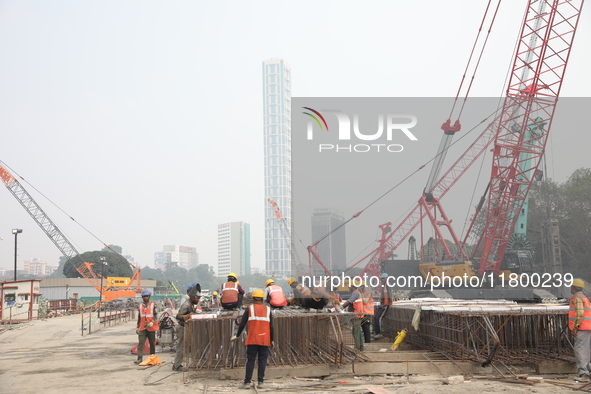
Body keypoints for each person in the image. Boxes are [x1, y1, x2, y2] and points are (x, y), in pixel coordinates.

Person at [231, 289, 274, 389]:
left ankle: (247, 383)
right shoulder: (268, 310)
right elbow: (271, 327)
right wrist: (272, 339)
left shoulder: (249, 309)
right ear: (262, 299)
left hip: (252, 339)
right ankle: (261, 382)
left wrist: (237, 335)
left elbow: (242, 323)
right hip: (264, 339)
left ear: (253, 298)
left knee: (250, 360)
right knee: (262, 360)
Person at [173, 285, 202, 371]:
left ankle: (177, 364)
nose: (198, 300)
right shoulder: (186, 304)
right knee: (181, 347)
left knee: (184, 347)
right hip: (181, 327)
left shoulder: (191, 304)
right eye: (197, 298)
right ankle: (177, 366)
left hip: (185, 327)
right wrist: (187, 316)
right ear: (193, 297)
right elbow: (178, 316)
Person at [569, 278, 591, 382]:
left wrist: (575, 327)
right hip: (587, 327)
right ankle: (588, 371)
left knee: (580, 350)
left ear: (573, 287)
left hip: (581, 328)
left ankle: (583, 374)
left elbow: (580, 314)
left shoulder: (577, 298)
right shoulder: (584, 297)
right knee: (585, 350)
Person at [135, 290, 159, 364]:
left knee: (152, 343)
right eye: (144, 296)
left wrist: (152, 322)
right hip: (142, 327)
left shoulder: (153, 305)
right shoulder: (140, 306)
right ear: (142, 297)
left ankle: (152, 358)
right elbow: (139, 317)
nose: (145, 298)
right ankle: (139, 358)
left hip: (151, 327)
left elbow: (156, 315)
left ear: (149, 296)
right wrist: (137, 326)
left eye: (146, 296)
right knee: (141, 342)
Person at [342, 282, 365, 350]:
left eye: (349, 286)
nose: (348, 288)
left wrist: (341, 307)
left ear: (352, 286)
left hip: (356, 314)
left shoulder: (355, 293)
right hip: (357, 314)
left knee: (356, 331)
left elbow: (349, 301)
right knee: (356, 330)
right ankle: (360, 346)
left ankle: (358, 347)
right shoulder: (357, 292)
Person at [374, 273, 392, 338]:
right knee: (375, 317)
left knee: (379, 318)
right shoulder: (383, 286)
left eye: (383, 278)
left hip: (385, 305)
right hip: (382, 304)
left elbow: (390, 294)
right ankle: (376, 332)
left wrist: (390, 303)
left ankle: (380, 333)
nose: (382, 280)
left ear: (386, 278)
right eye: (381, 278)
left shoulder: (387, 285)